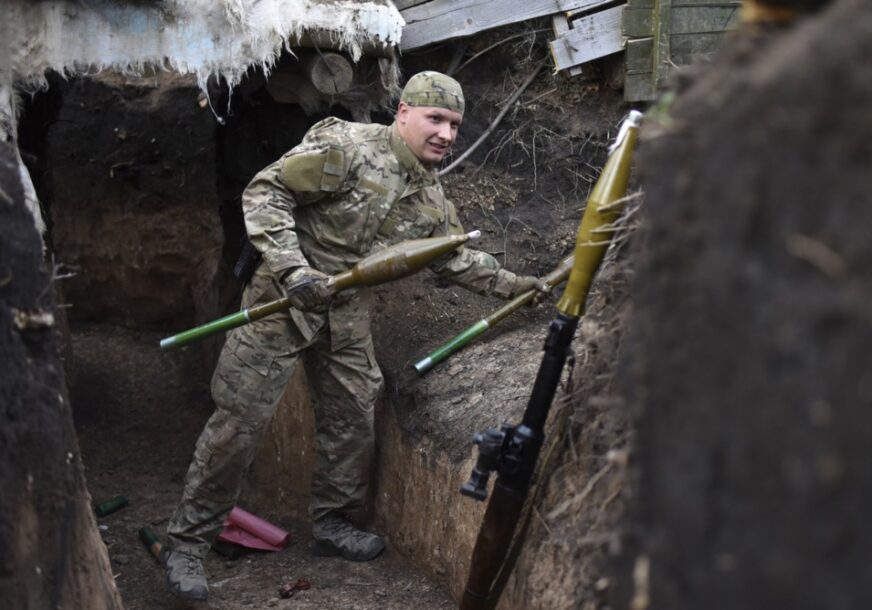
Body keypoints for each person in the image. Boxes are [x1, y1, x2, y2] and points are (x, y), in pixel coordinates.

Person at [163, 71, 548, 601]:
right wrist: (294, 269)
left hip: (345, 315)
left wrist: (517, 285)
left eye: (455, 124)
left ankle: (333, 524)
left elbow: (453, 256)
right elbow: (267, 190)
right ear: (403, 111)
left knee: (352, 417)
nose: (446, 134)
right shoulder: (346, 149)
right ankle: (187, 542)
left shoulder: (430, 197)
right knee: (239, 424)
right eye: (435, 118)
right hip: (283, 302)